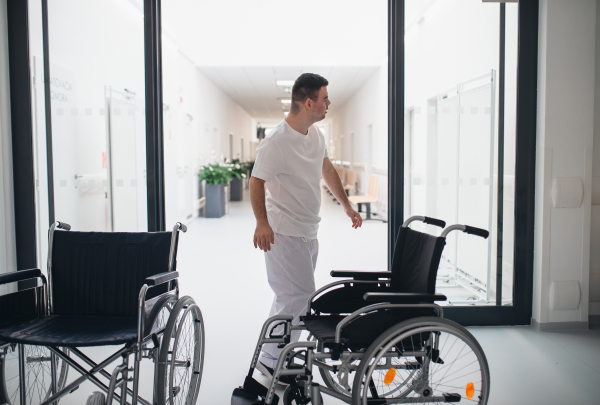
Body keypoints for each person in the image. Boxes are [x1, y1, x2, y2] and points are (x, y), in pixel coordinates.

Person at [249, 73, 362, 382]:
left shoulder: (315, 135)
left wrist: (346, 204)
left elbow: (326, 169)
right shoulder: (277, 141)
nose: (328, 103)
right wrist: (262, 222)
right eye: (325, 98)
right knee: (301, 297)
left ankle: (270, 358)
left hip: (308, 232)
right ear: (309, 102)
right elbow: (256, 180)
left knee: (288, 298)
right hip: (284, 233)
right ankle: (275, 363)